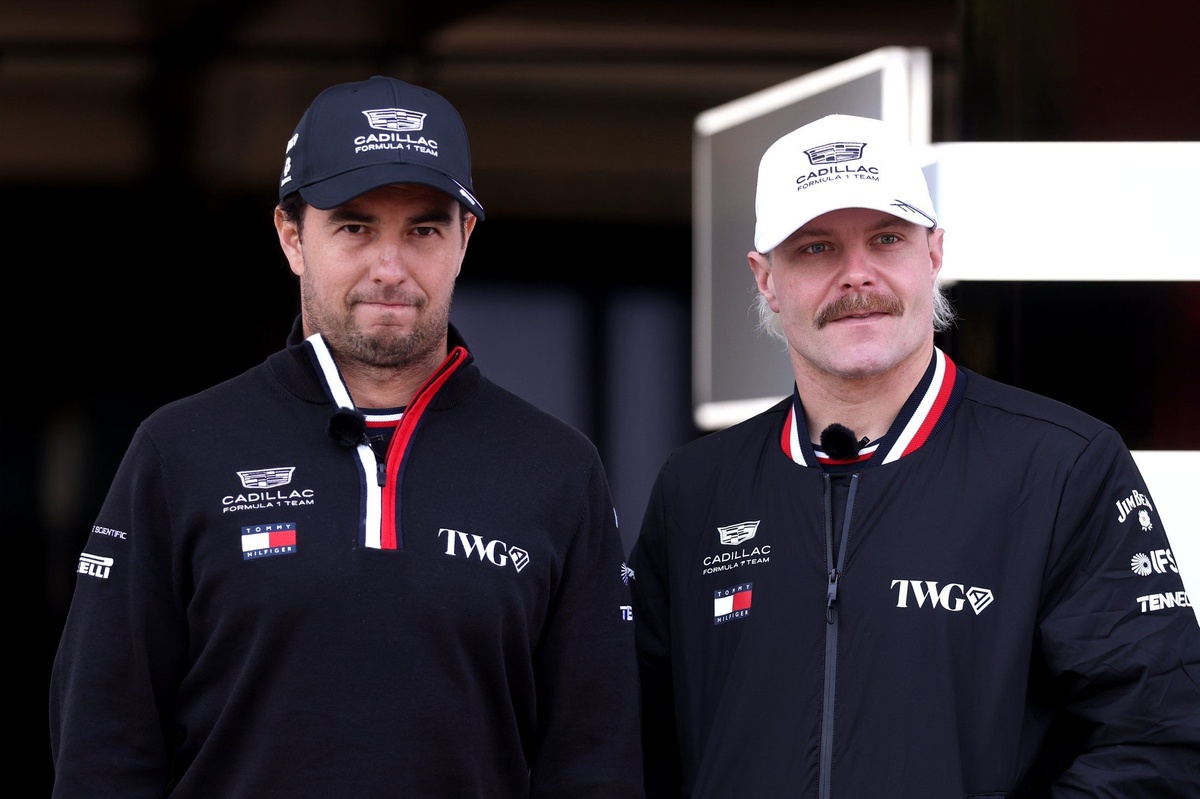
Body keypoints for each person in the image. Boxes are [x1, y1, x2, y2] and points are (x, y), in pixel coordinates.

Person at [49, 75, 643, 798]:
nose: (389, 269)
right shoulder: (179, 451)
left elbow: (596, 759)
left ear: (464, 240)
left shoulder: (557, 469)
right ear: (292, 237)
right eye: (355, 227)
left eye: (423, 230)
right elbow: (103, 748)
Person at [628, 113, 1200, 798]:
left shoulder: (1063, 466)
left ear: (933, 253)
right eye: (815, 247)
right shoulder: (697, 489)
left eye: (886, 238)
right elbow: (630, 746)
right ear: (766, 279)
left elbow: (1159, 738)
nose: (856, 275)